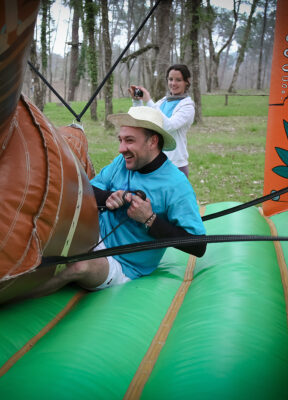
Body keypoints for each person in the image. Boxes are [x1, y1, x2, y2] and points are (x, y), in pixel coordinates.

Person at [30, 106, 206, 297]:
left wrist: (150, 220)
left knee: (79, 266)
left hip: (122, 265)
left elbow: (198, 245)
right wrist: (111, 197)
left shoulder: (176, 185)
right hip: (93, 235)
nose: (121, 149)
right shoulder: (122, 163)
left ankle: (24, 296)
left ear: (152, 141)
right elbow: (86, 191)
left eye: (129, 141)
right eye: (121, 140)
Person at [129, 64, 195, 177]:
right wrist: (137, 101)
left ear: (186, 82)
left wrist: (149, 101)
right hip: (155, 162)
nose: (173, 83)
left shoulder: (187, 107)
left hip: (175, 165)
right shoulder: (163, 101)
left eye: (178, 80)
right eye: (170, 79)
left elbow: (168, 126)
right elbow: (141, 120)